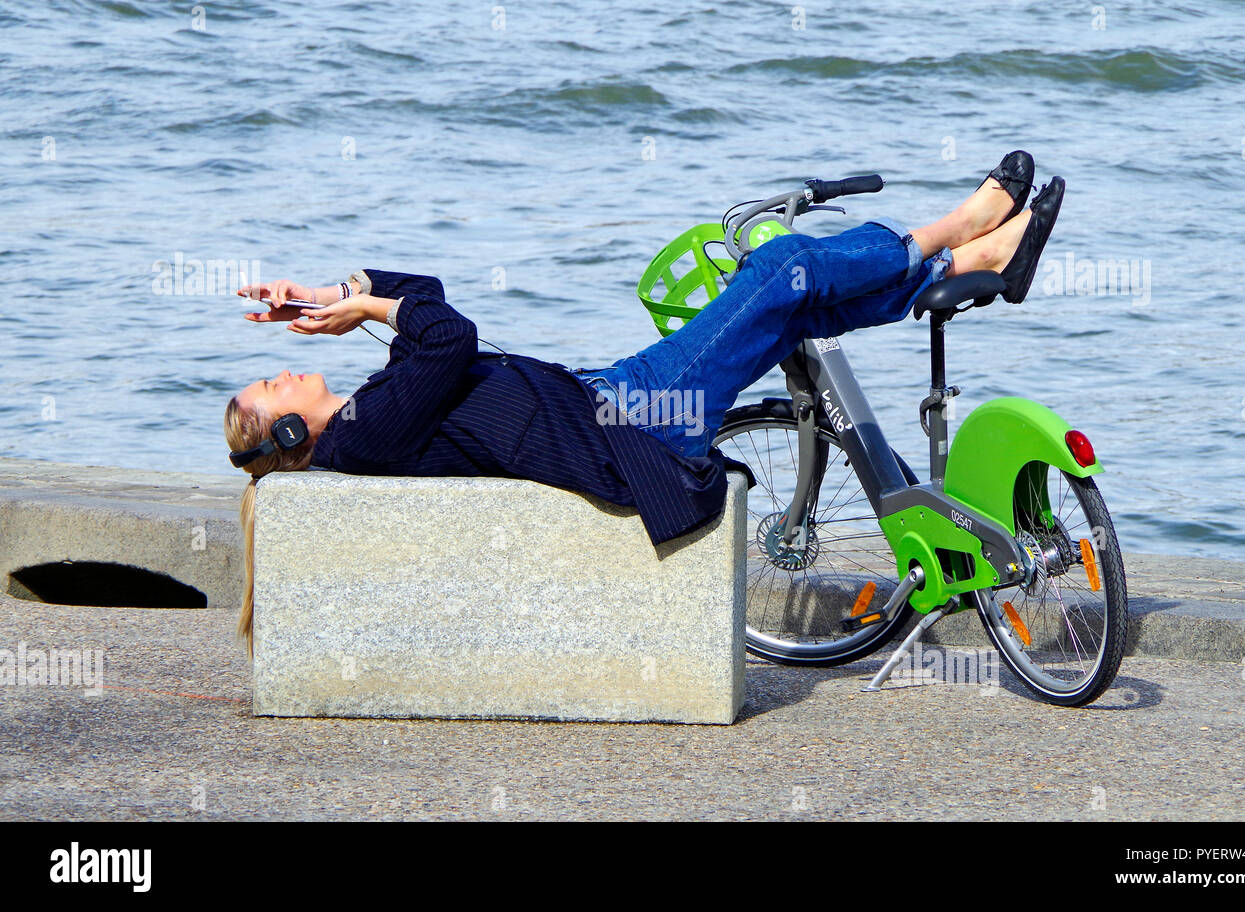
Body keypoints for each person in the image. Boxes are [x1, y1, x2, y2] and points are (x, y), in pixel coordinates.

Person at [225, 152, 1063, 648]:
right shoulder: (363, 435)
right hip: (632, 429)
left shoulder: (370, 414)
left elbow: (431, 297)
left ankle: (968, 267)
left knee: (789, 302)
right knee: (778, 272)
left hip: (613, 395)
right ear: (290, 428)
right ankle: (957, 229)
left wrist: (343, 291)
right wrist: (373, 311)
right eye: (273, 386)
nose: (284, 369)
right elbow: (447, 336)